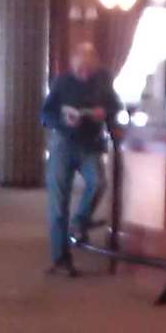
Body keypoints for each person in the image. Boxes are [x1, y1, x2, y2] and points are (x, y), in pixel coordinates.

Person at [41, 42, 121, 276]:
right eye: (80, 68)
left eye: (89, 68)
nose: (84, 72)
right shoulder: (62, 82)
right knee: (58, 203)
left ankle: (79, 221)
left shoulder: (102, 82)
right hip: (63, 144)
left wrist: (104, 112)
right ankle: (60, 259)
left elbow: (116, 107)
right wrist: (63, 120)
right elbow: (45, 114)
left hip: (90, 145)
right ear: (73, 64)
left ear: (95, 65)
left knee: (98, 183)